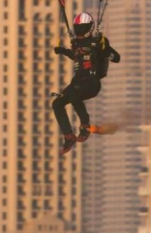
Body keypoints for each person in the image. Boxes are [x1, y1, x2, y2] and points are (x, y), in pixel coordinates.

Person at [52, 12, 120, 155]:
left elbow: (116, 58)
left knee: (73, 95)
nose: (79, 32)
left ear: (89, 28)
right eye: (78, 28)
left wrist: (104, 50)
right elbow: (79, 57)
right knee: (57, 103)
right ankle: (69, 136)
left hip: (92, 83)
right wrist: (63, 51)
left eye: (82, 28)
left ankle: (85, 125)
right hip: (77, 82)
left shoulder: (99, 41)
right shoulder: (77, 43)